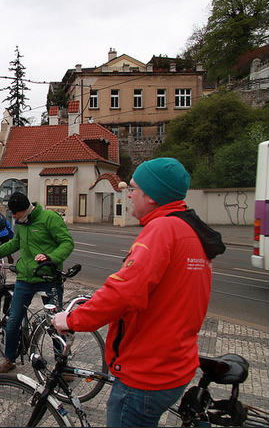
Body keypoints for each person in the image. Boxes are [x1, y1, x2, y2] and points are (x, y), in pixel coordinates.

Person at [52, 157, 226, 427]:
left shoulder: (162, 229)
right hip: (175, 364)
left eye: (133, 188)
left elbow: (124, 291)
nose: (128, 194)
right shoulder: (191, 231)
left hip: (145, 372)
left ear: (152, 196)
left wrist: (73, 320)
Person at [0, 191, 74, 374]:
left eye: (15, 213)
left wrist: (51, 257)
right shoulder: (22, 223)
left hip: (49, 279)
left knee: (56, 323)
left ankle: (62, 366)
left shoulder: (50, 218)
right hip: (25, 278)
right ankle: (9, 359)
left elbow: (67, 243)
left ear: (24, 210)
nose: (13, 217)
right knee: (14, 320)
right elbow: (15, 243)